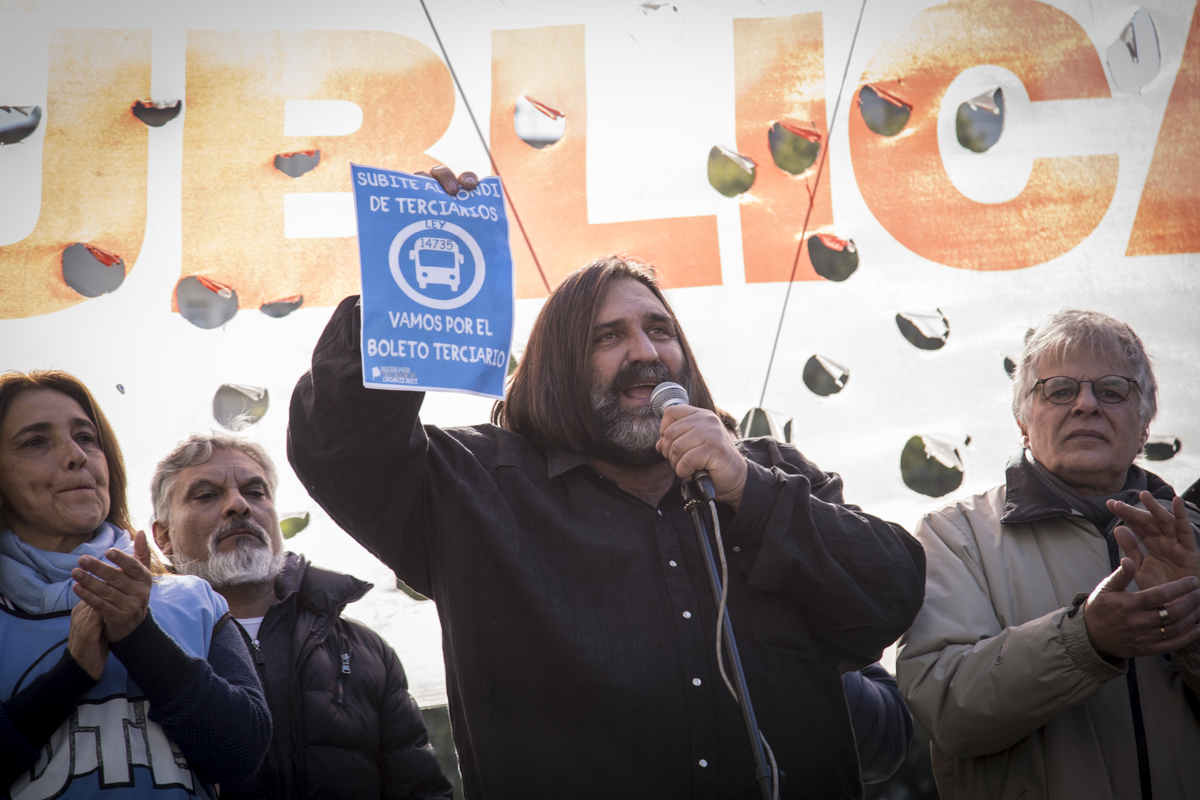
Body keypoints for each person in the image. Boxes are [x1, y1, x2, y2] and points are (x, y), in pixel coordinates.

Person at [288, 255, 927, 798]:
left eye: (660, 330)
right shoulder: (473, 487)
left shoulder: (770, 474)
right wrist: (411, 282)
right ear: (557, 367)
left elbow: (892, 593)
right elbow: (340, 447)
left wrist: (749, 491)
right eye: (608, 337)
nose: (646, 353)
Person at [897, 309, 1200, 799]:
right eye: (1059, 390)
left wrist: (1194, 629)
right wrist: (1085, 640)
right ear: (1023, 420)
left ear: (1146, 421)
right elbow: (944, 707)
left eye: (1112, 390)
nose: (1086, 404)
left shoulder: (1194, 539)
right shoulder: (955, 535)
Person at [0, 370, 271, 799]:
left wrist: (138, 634)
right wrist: (69, 676)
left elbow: (241, 753)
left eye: (86, 438)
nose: (76, 456)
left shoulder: (195, 601)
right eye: (36, 442)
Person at [149, 431, 453, 800]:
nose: (239, 505)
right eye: (207, 495)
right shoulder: (137, 648)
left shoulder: (365, 650)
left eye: (256, 492)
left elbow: (422, 791)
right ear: (163, 537)